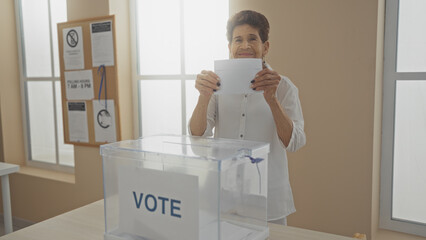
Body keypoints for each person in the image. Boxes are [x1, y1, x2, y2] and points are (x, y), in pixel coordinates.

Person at [189, 10, 306, 225]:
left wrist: (272, 100)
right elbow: (197, 137)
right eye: (238, 40)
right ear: (229, 48)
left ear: (265, 47)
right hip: (224, 196)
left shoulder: (285, 87)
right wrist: (203, 97)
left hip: (269, 201)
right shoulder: (216, 86)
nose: (244, 46)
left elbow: (295, 142)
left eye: (252, 39)